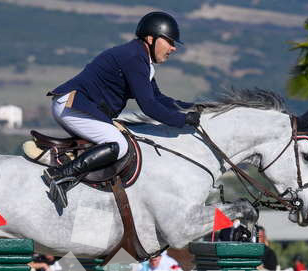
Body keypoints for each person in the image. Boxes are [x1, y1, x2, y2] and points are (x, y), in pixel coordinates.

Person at [43, 11, 201, 208]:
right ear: (150, 39)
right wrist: (182, 120)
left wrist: (191, 107)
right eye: (169, 41)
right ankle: (59, 176)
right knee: (119, 144)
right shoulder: (134, 58)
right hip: (72, 105)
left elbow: (158, 98)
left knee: (118, 140)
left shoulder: (140, 58)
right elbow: (149, 106)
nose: (173, 47)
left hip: (77, 106)